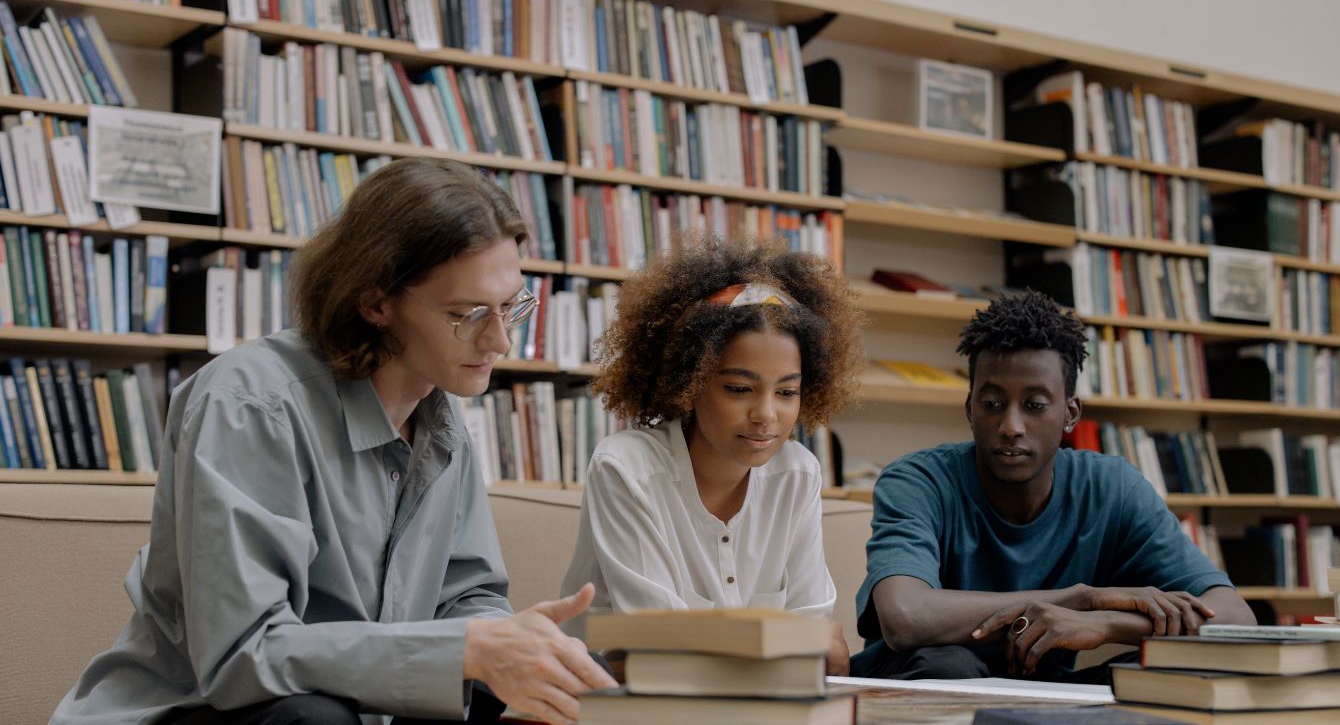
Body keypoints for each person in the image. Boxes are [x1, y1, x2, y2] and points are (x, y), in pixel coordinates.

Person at [51, 158, 616, 725]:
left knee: (555, 689)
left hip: (360, 705)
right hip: (202, 709)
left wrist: (516, 645)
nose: (499, 340)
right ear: (375, 304)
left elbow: (465, 598)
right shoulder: (250, 405)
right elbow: (242, 656)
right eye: (466, 314)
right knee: (316, 718)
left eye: (511, 306)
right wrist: (464, 651)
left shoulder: (441, 421)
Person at [851, 290, 1256, 683]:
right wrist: (1081, 598)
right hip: (919, 685)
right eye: (992, 404)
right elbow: (905, 617)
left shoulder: (1111, 488)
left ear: (1069, 414)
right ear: (969, 408)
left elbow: (1234, 619)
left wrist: (1105, 623)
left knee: (1172, 669)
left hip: (1043, 699)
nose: (1011, 426)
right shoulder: (919, 481)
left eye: (1035, 405)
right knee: (950, 664)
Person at [560, 239, 864, 675]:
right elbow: (659, 651)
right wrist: (790, 642)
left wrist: (802, 642)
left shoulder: (798, 473)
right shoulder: (625, 469)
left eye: (787, 392)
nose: (766, 415)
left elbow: (825, 651)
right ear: (691, 383)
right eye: (739, 389)